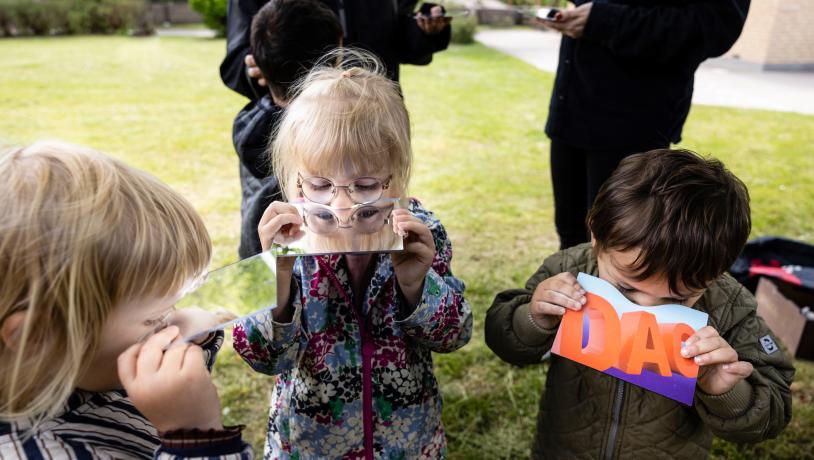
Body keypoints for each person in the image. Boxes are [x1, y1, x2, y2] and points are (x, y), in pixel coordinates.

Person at [232, 52, 473, 459]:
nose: (341, 207)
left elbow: (454, 335)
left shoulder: (420, 232)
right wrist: (276, 278)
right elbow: (263, 357)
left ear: (395, 177)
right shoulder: (288, 241)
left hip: (405, 442)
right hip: (309, 444)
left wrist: (417, 286)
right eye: (321, 184)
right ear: (296, 181)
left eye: (363, 186)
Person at [485, 149, 794, 459]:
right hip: (564, 449)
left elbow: (772, 413)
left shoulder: (730, 307)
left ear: (714, 275)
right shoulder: (570, 270)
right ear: (597, 237)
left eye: (676, 298)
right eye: (625, 288)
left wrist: (723, 388)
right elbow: (503, 339)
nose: (647, 307)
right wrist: (535, 318)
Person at [0, 141, 252, 459]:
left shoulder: (80, 368)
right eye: (153, 319)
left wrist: (192, 339)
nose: (169, 322)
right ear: (37, 336)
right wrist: (196, 437)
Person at [541, 0, 750, 249]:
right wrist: (573, 16)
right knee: (571, 236)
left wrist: (603, 20)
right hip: (571, 108)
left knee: (618, 246)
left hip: (631, 124)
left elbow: (714, 26)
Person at [233, 0, 343, 258]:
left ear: (257, 63)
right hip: (310, 266)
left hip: (257, 254)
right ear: (334, 60)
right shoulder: (327, 133)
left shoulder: (249, 123)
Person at [221, 0, 451, 101]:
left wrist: (426, 31)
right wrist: (261, 69)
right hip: (296, 134)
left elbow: (393, 40)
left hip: (375, 120)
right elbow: (236, 64)